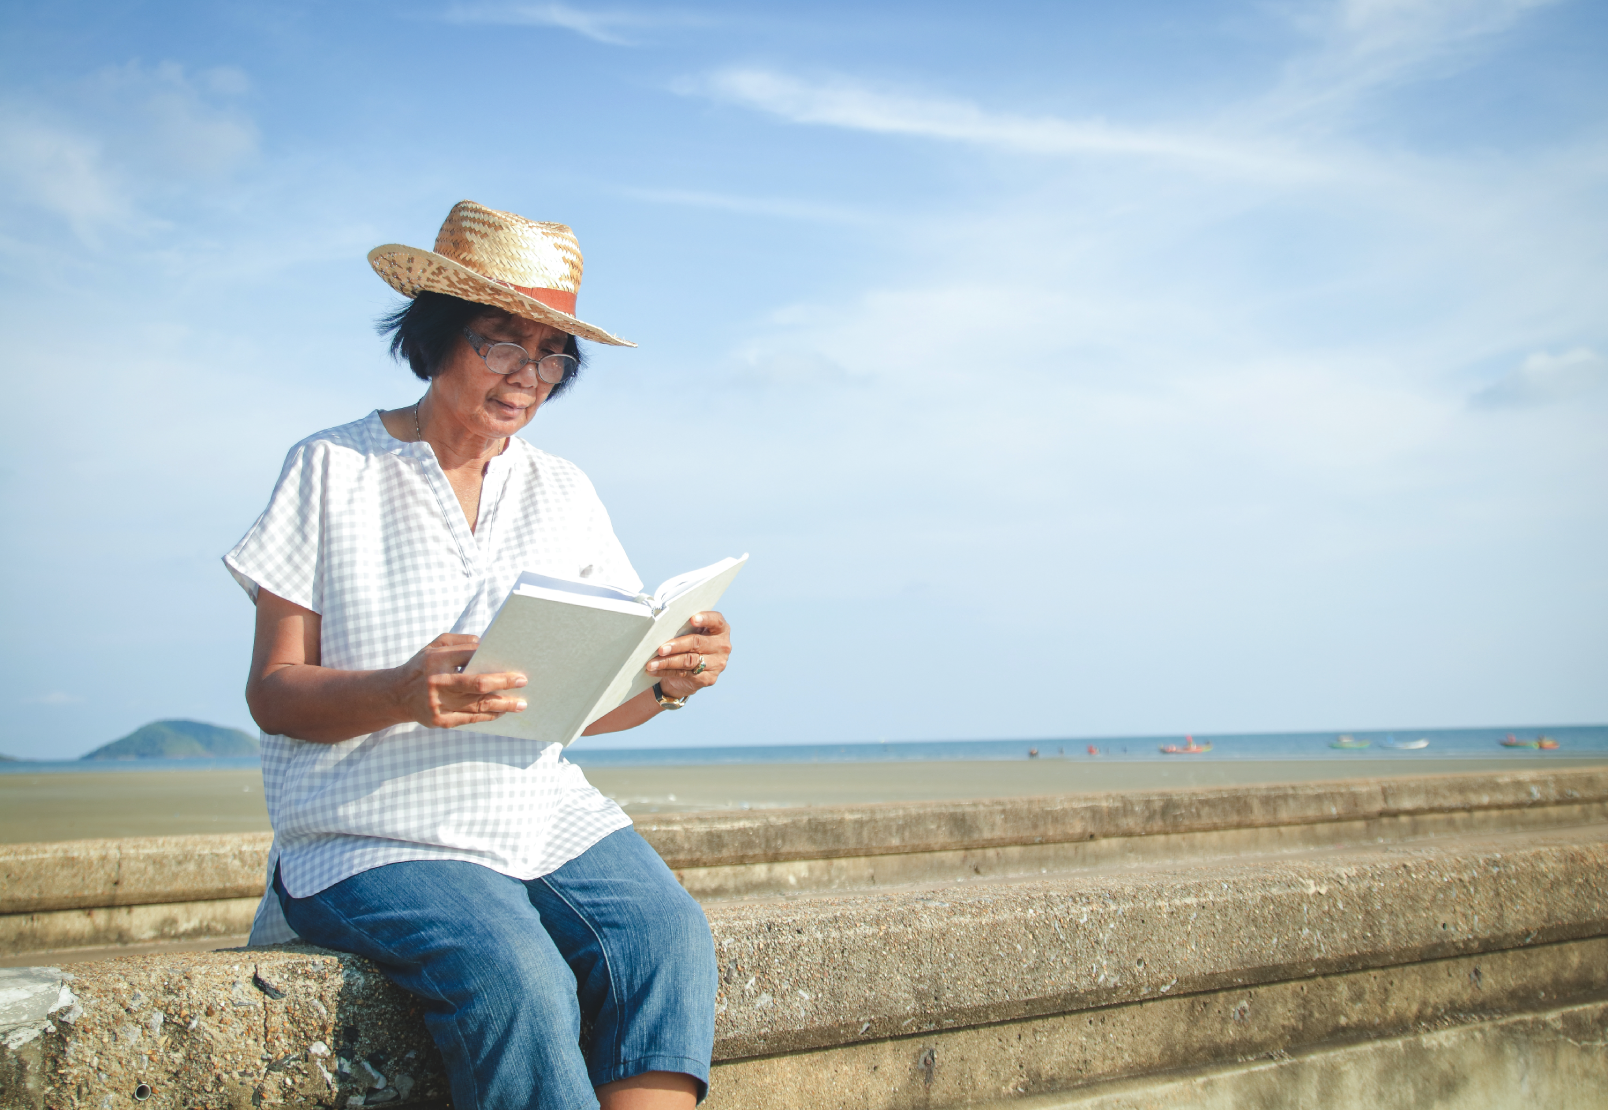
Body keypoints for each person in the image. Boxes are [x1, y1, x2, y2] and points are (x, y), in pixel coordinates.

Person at [224, 200, 729, 1110]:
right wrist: (398, 693)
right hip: (371, 826)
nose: (528, 375)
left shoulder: (562, 489)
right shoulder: (332, 467)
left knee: (666, 935)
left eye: (549, 354)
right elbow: (274, 691)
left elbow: (581, 703)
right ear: (437, 337)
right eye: (501, 342)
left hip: (535, 808)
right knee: (518, 975)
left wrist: (667, 681)